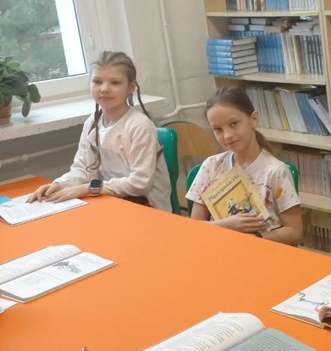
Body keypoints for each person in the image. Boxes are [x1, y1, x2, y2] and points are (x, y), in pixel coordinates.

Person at [27, 50, 171, 212]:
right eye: (97, 82)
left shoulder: (139, 125)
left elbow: (140, 184)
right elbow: (82, 168)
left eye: (115, 82)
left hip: (147, 207)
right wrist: (59, 184)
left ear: (131, 87)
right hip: (108, 200)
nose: (104, 89)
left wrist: (88, 188)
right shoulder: (92, 123)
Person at [187, 87, 302, 245]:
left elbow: (295, 232)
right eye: (218, 130)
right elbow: (194, 226)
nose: (227, 135)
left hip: (261, 251)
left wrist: (255, 238)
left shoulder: (275, 172)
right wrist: (226, 226)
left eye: (234, 124)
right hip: (218, 248)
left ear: (254, 119)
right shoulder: (211, 166)